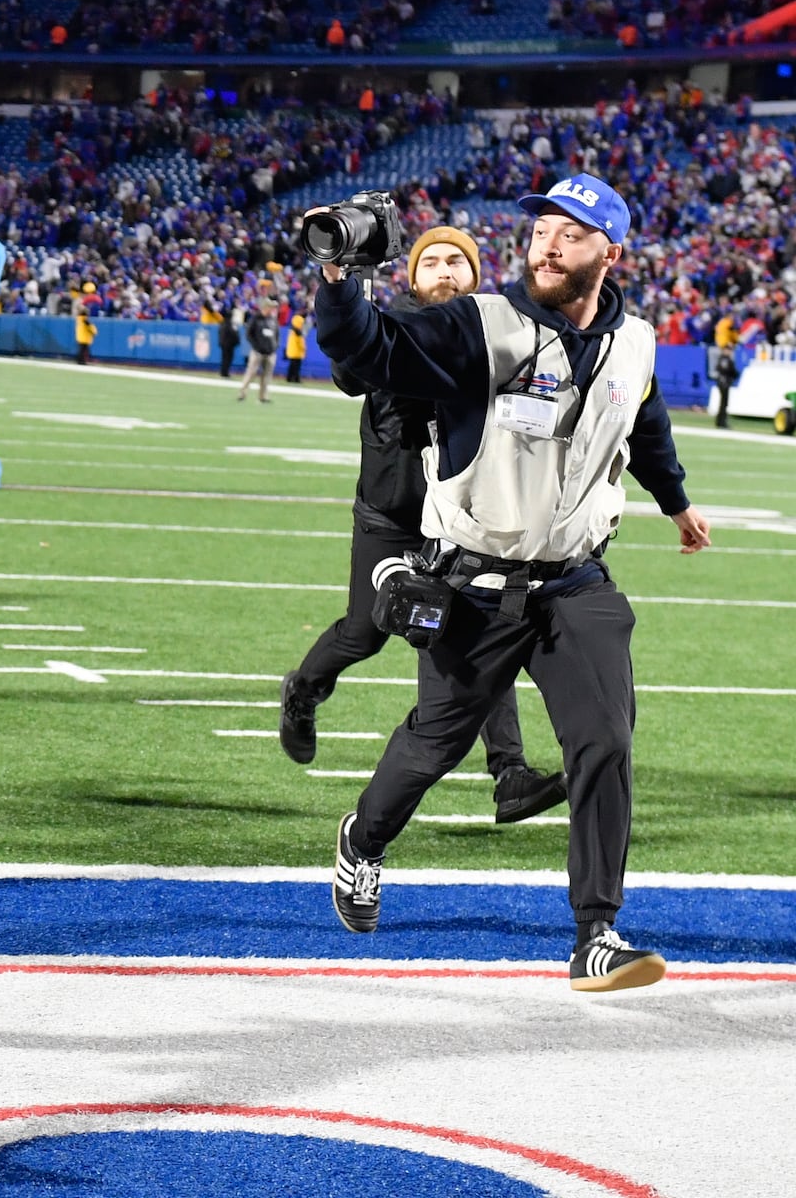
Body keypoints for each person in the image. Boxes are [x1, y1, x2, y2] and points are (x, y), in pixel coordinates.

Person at [312, 173, 711, 992]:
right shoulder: (480, 325)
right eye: (538, 231)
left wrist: (676, 502)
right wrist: (341, 280)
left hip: (576, 583)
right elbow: (369, 352)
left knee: (605, 741)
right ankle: (363, 837)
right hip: (474, 585)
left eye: (570, 232)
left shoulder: (634, 340)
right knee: (433, 744)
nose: (548, 243)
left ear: (611, 250)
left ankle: (596, 932)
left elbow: (644, 422)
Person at [282, 227, 567, 826]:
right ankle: (305, 689)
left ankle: (509, 773)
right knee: (365, 633)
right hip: (394, 514)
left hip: (463, 521)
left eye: (457, 262)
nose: (444, 271)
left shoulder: (499, 336)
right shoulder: (397, 329)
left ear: (477, 277)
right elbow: (351, 368)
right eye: (431, 261)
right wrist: (345, 284)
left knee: (476, 634)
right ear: (411, 278)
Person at [237, 300, 277, 403]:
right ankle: (242, 394)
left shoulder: (272, 320)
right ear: (265, 307)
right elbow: (249, 334)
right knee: (251, 373)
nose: (272, 309)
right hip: (257, 352)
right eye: (270, 307)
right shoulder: (256, 319)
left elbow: (276, 334)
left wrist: (274, 347)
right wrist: (256, 346)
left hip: (269, 352)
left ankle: (263, 396)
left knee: (266, 376)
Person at [283, 308, 307, 384]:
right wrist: (303, 348)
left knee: (292, 366)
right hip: (297, 352)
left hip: (293, 351)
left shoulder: (292, 330)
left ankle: (291, 378)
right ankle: (295, 378)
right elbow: (300, 342)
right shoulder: (298, 332)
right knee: (296, 367)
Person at [218, 304, 241, 378]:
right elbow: (233, 334)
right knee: (227, 358)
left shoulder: (223, 323)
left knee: (224, 358)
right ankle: (225, 373)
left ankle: (223, 372)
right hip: (229, 345)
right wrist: (237, 341)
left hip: (224, 344)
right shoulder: (230, 325)